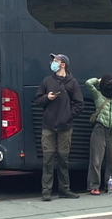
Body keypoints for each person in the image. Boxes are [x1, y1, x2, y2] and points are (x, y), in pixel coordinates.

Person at [33, 53, 83, 201]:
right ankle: (46, 191)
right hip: (48, 126)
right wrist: (46, 98)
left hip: (65, 127)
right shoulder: (47, 81)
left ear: (63, 65)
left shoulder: (72, 83)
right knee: (47, 159)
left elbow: (79, 104)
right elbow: (37, 100)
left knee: (63, 159)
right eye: (53, 60)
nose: (53, 63)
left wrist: (68, 115)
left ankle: (64, 189)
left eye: (56, 61)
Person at [83, 75, 112, 195]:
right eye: (108, 84)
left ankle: (111, 185)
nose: (111, 86)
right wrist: (98, 80)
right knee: (96, 159)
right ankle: (93, 186)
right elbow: (88, 84)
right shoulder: (98, 95)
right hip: (100, 129)